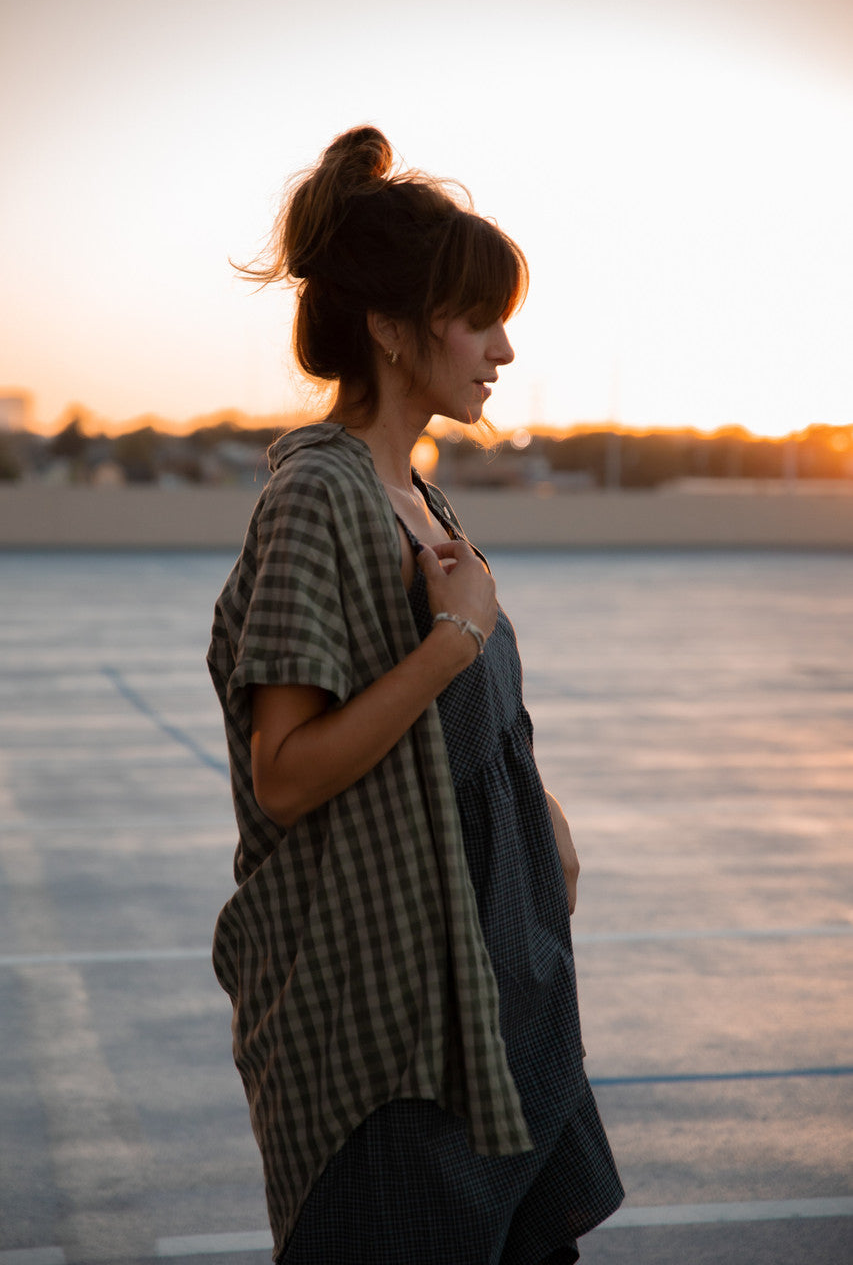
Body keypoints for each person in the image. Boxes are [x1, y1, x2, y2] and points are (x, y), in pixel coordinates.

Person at [208, 126, 623, 1265]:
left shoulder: (422, 499)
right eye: (475, 317)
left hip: (504, 996)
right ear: (392, 330)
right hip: (395, 1033)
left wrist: (544, 821)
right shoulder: (321, 500)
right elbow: (286, 774)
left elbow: (469, 735)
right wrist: (450, 642)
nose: (501, 345)